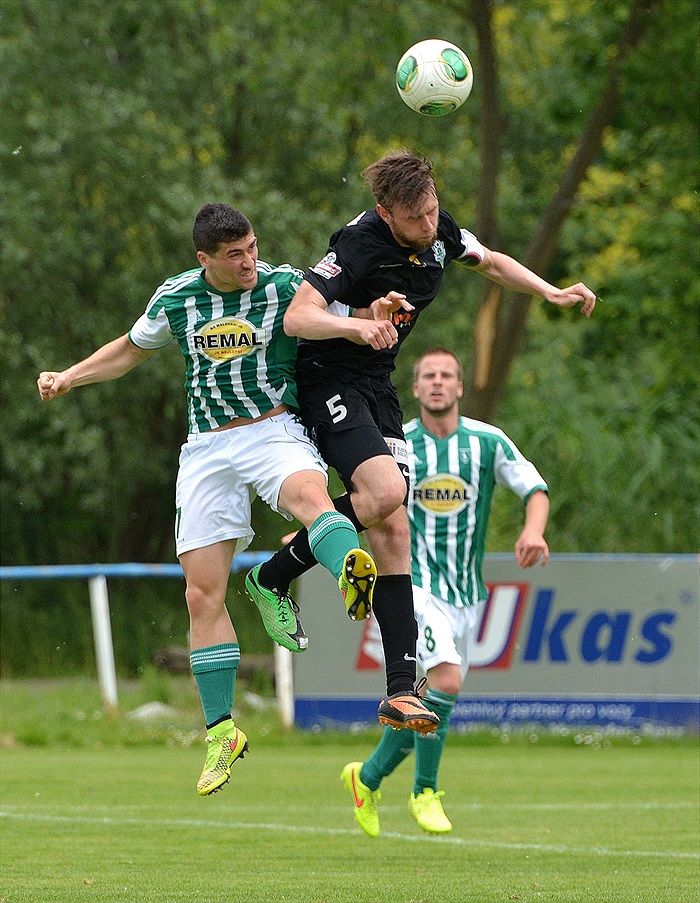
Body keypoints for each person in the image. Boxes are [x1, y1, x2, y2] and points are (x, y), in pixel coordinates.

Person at [248, 149, 593, 737]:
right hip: (328, 377)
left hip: (375, 382)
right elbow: (298, 318)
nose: (428, 225)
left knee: (394, 522)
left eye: (432, 212)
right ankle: (276, 572)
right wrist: (359, 324)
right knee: (383, 492)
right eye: (415, 219)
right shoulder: (357, 245)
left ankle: (399, 692)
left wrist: (550, 292)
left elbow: (490, 262)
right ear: (386, 212)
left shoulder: (438, 226)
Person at [36, 202, 377, 796]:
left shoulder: (286, 285)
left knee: (309, 494)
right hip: (206, 450)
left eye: (250, 248)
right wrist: (70, 375)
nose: (248, 262)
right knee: (200, 594)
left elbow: (343, 314)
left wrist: (375, 314)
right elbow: (129, 348)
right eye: (233, 255)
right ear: (205, 259)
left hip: (273, 429)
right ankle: (222, 731)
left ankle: (349, 564)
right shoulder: (177, 298)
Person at [341, 347, 550, 836]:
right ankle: (425, 792)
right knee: (447, 682)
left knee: (435, 700)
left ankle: (366, 778)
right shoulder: (396, 445)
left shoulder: (486, 442)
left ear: (459, 387)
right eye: (428, 375)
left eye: (447, 375)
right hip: (412, 586)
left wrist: (533, 530)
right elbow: (366, 501)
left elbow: (534, 489)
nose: (437, 382)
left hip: (466, 593)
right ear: (414, 389)